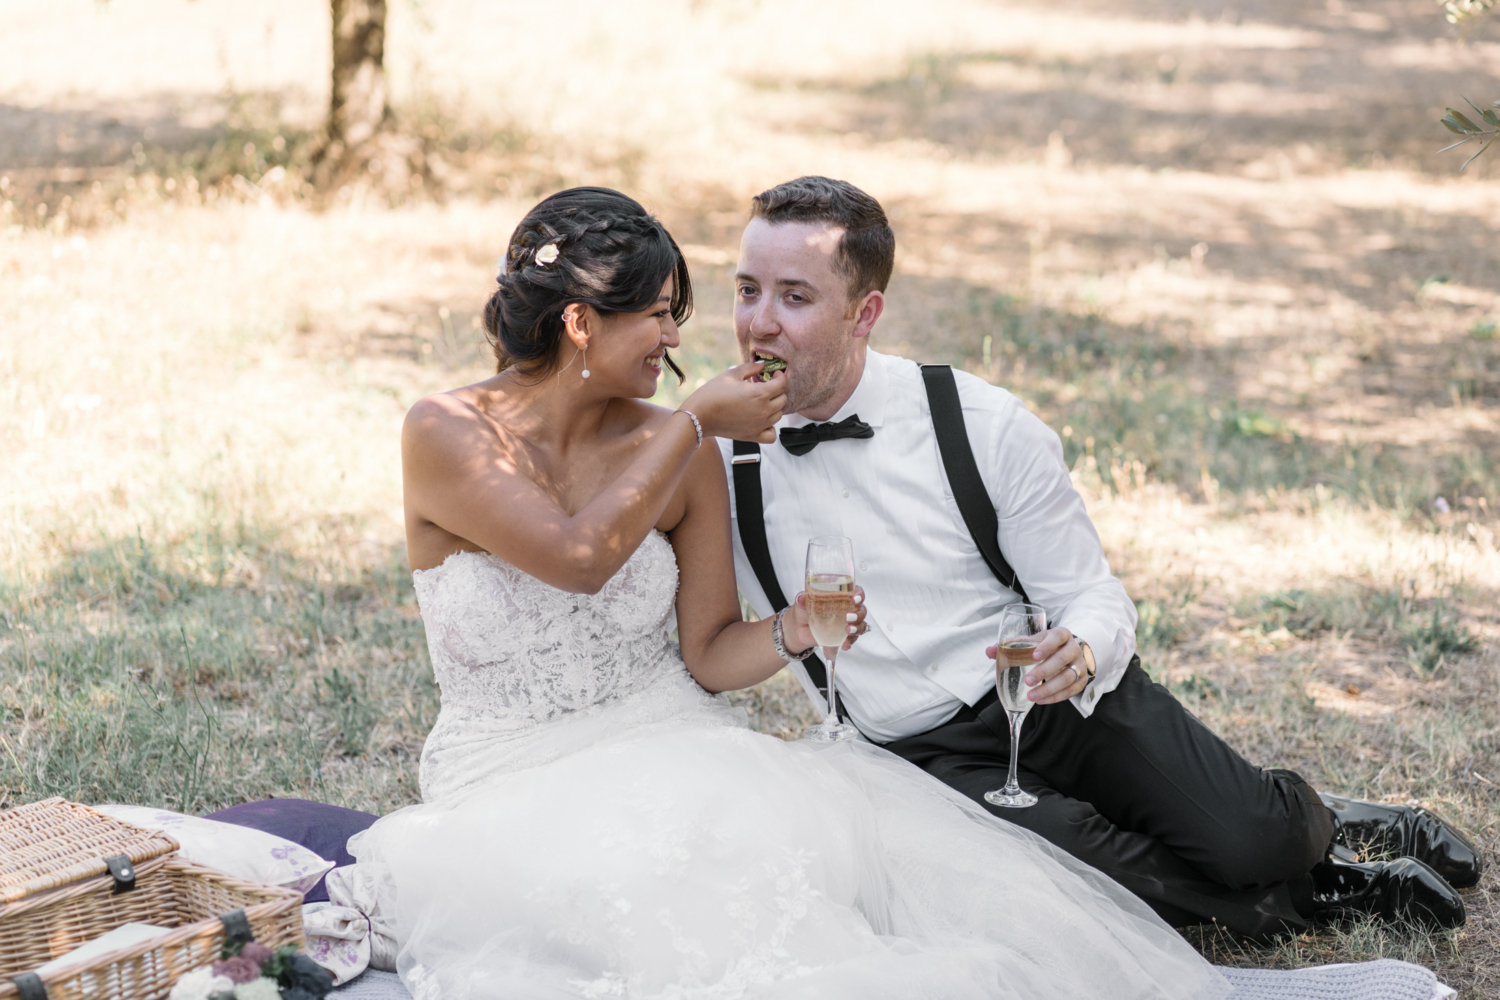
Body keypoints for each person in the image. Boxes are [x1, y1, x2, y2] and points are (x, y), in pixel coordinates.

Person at [345, 186, 1232, 999]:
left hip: (675, 745)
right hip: (504, 770)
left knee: (779, 893)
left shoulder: (684, 444)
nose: (677, 342)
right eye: (658, 317)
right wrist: (696, 421)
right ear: (580, 322)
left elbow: (706, 653)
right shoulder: (447, 430)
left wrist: (795, 628)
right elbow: (579, 557)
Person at [717, 175, 1480, 941]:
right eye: (748, 290)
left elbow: (1092, 594)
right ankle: (1323, 891)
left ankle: (1323, 823)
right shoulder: (717, 463)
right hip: (916, 758)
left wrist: (1080, 651)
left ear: (864, 314)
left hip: (1055, 698)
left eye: (794, 297)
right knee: (1094, 897)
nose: (759, 324)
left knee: (1255, 837)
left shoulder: (979, 424)